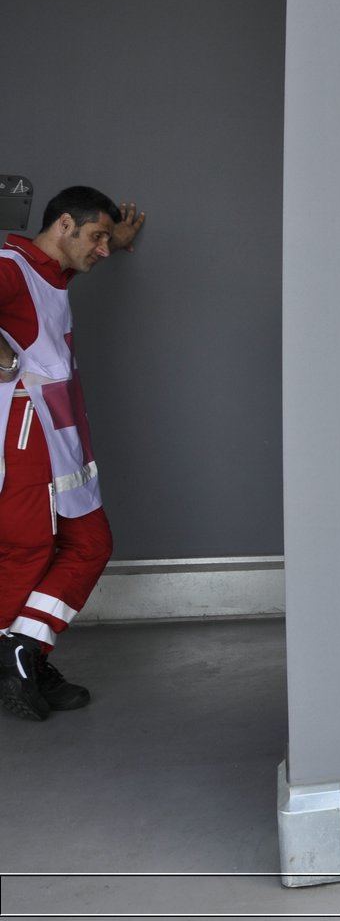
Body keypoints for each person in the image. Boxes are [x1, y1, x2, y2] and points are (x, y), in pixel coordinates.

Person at [0, 186, 146, 722]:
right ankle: (19, 660)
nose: (103, 249)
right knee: (27, 556)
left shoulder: (49, 271)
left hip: (59, 443)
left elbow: (57, 278)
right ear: (65, 224)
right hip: (26, 443)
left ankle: (23, 651)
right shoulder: (10, 266)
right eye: (97, 237)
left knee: (89, 542)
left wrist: (115, 238)